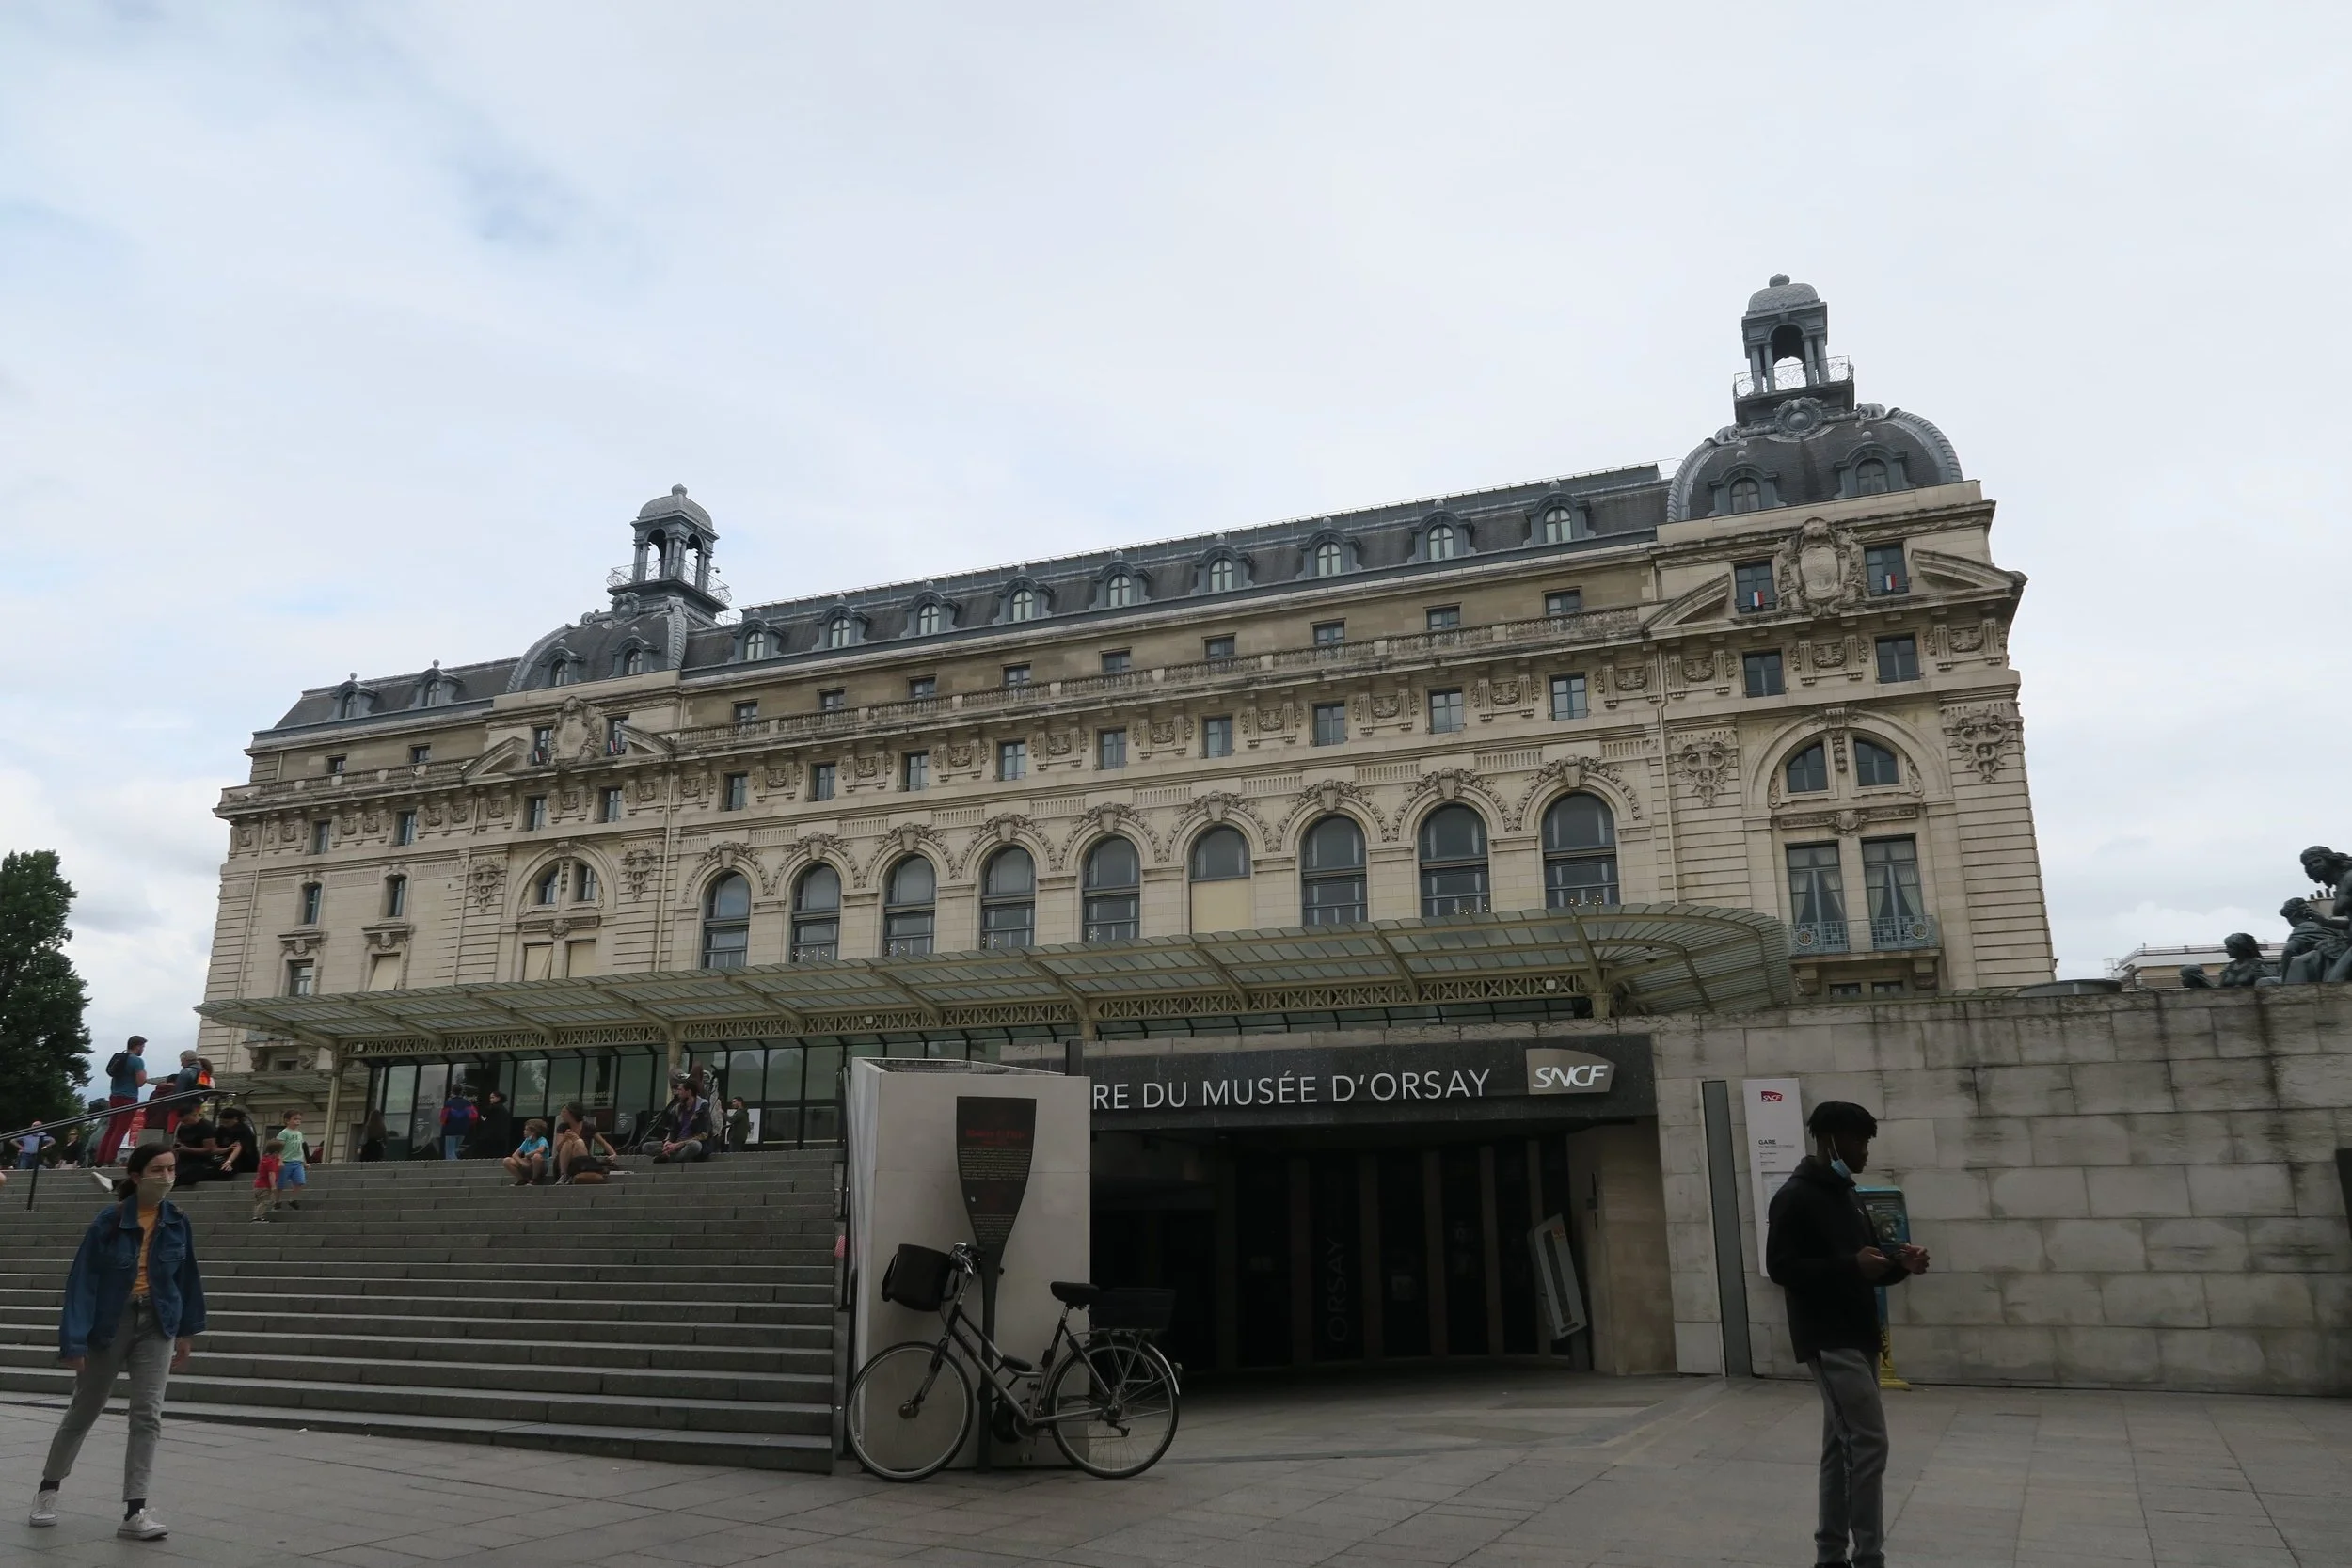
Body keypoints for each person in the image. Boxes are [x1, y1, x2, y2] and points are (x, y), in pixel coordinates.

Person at [1766, 1101, 1931, 1568]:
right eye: (1858, 1141)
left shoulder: (1849, 1195)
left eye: (1867, 1142)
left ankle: (1831, 1553)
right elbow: (1781, 1267)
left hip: (1860, 1335)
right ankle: (1869, 1555)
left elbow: (1867, 1265)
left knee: (1842, 1445)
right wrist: (1849, 1264)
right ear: (1829, 1139)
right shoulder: (1794, 1196)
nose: (1863, 1152)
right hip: (1827, 1336)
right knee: (1868, 1440)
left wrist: (1900, 1265)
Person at [28, 1142, 205, 1539]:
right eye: (158, 1171)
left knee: (147, 1415)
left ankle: (135, 1511)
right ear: (137, 1176)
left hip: (158, 1323)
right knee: (85, 1409)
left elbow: (187, 1278)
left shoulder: (177, 1220)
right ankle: (48, 1489)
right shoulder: (108, 1222)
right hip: (110, 1323)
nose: (167, 1178)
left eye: (171, 1169)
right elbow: (82, 1284)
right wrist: (73, 1343)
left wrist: (187, 1332)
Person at [95, 1036, 150, 1166]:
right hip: (128, 1098)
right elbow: (140, 1082)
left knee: (111, 1128)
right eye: (142, 1047)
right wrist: (145, 1074)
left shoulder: (121, 1058)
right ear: (137, 1046)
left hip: (114, 1096)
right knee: (121, 1130)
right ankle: (110, 1159)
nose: (143, 1050)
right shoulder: (137, 1061)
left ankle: (100, 1159)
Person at [553, 1104, 624, 1183]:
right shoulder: (562, 1127)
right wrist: (565, 1138)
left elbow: (603, 1143)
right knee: (568, 1142)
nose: (561, 1114)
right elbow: (558, 1149)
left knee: (579, 1142)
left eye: (564, 1111)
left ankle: (576, 1174)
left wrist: (613, 1154)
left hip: (582, 1161)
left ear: (572, 1113)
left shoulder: (588, 1127)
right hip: (563, 1162)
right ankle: (564, 1175)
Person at [649, 1078, 714, 1164]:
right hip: (676, 1143)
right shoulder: (678, 1108)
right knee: (647, 1146)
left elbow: (704, 1135)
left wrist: (678, 1145)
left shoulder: (702, 1108)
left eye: (680, 1090)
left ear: (689, 1092)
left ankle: (670, 1158)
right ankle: (672, 1154)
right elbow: (673, 1130)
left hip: (691, 1143)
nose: (678, 1093)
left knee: (695, 1146)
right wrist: (668, 1142)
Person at [169, 1115, 230, 1187]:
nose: (184, 1123)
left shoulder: (206, 1127)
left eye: (186, 1121)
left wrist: (186, 1149)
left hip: (200, 1161)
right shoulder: (182, 1127)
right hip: (183, 1160)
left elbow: (210, 1149)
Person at [272, 1112, 310, 1209]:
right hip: (286, 1162)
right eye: (295, 1119)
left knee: (300, 1181)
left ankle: (292, 1199)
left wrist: (304, 1162)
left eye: (299, 1119)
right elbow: (278, 1148)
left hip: (297, 1162)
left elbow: (300, 1149)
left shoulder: (299, 1133)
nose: (298, 1122)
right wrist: (279, 1160)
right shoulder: (284, 1133)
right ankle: (277, 1201)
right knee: (281, 1184)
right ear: (287, 1121)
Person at [212, 1107, 261, 1180]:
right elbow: (214, 1147)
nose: (224, 1125)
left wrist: (229, 1161)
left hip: (244, 1161)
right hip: (227, 1158)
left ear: (235, 1119)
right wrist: (226, 1150)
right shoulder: (221, 1130)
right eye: (222, 1122)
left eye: (227, 1122)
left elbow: (238, 1146)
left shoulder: (242, 1129)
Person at [502, 1119, 551, 1186]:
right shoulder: (527, 1141)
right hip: (528, 1164)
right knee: (507, 1160)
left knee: (537, 1156)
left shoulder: (542, 1140)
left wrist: (528, 1154)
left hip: (540, 1166)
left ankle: (535, 1179)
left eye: (526, 1130)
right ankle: (522, 1179)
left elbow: (541, 1150)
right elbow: (515, 1154)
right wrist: (522, 1162)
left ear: (533, 1132)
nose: (524, 1131)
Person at [437, 1088, 477, 1161]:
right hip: (463, 1130)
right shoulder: (467, 1103)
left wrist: (445, 1125)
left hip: (450, 1130)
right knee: (455, 1149)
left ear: (452, 1093)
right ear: (461, 1093)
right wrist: (467, 1124)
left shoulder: (449, 1103)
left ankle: (454, 1167)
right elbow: (474, 1116)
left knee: (450, 1151)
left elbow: (443, 1118)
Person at [250, 1146, 281, 1223]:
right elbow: (271, 1174)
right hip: (265, 1186)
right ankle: (257, 1218)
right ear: (275, 1153)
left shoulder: (264, 1159)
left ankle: (257, 1216)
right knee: (264, 1202)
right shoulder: (271, 1162)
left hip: (258, 1185)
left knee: (259, 1201)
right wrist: (273, 1186)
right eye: (279, 1153)